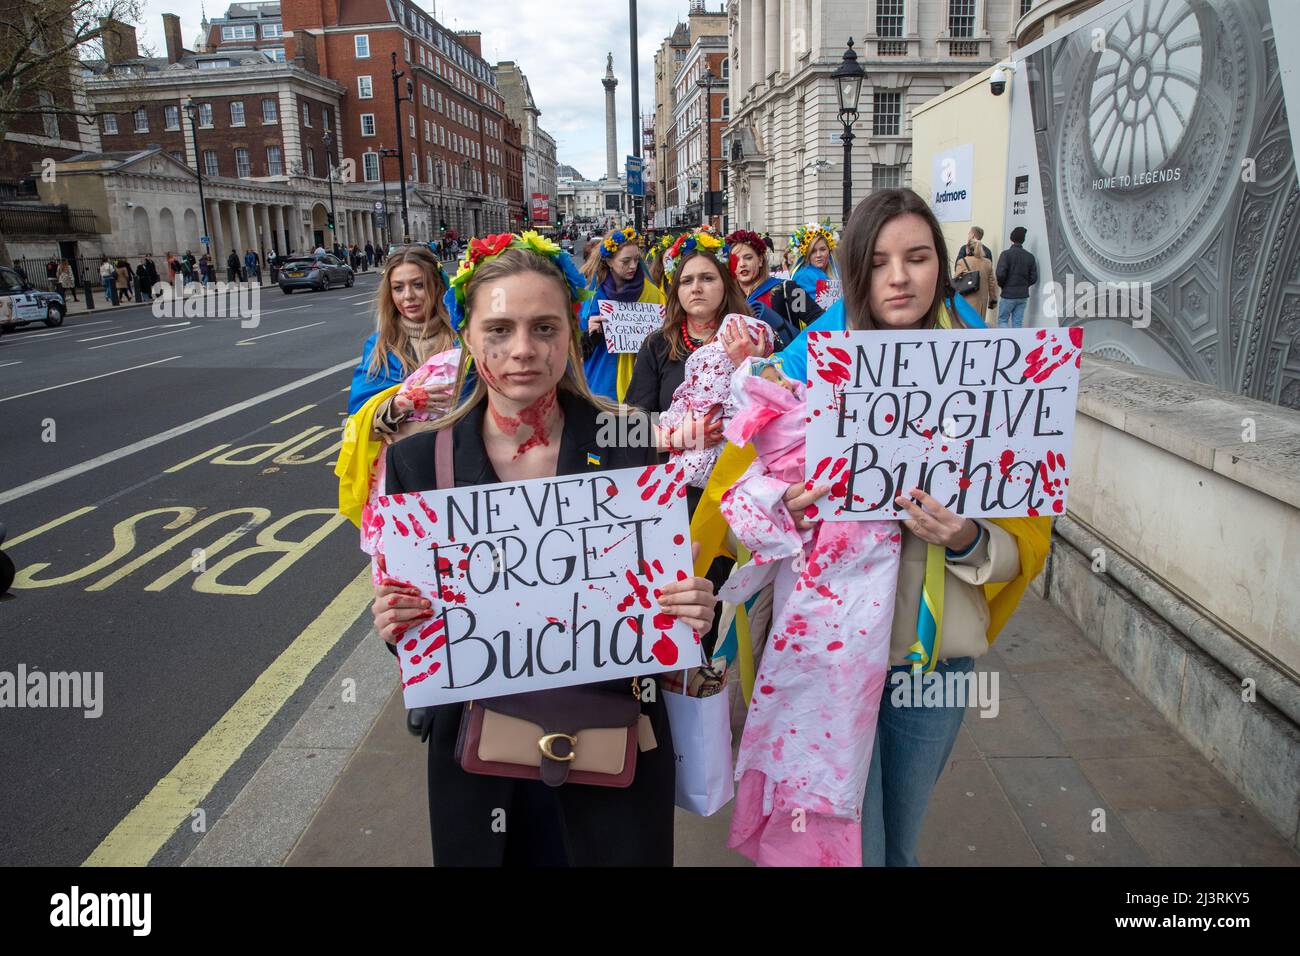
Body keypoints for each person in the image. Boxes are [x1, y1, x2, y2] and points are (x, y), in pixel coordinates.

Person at [694, 188, 1051, 867]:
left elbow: (1025, 538)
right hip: (822, 654)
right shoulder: (805, 360)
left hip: (931, 657)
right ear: (855, 271)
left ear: (940, 269)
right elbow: (733, 499)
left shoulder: (993, 371)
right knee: (843, 842)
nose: (899, 276)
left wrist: (968, 539)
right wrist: (783, 503)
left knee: (898, 838)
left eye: (917, 258)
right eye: (880, 260)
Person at [369, 232, 719, 866]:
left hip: (611, 755)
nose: (522, 351)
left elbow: (672, 616)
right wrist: (396, 624)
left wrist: (697, 609)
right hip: (482, 764)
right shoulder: (418, 463)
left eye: (545, 327)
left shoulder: (634, 444)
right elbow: (416, 633)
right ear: (469, 336)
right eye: (499, 329)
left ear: (570, 333)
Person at [347, 244, 455, 418]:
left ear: (437, 286)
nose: (408, 296)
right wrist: (401, 404)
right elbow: (360, 411)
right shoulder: (380, 346)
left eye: (418, 285)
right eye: (398, 288)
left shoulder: (464, 338)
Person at [578, 229, 665, 403]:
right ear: (609, 261)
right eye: (626, 261)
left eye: (636, 259)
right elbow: (574, 347)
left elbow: (667, 338)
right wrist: (589, 333)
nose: (633, 266)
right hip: (601, 382)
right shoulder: (592, 295)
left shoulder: (653, 295)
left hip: (642, 384)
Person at [726, 229, 823, 347]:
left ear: (760, 260)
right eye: (736, 259)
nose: (742, 264)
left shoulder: (788, 289)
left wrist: (799, 347)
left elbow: (820, 321)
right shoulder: (728, 298)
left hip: (783, 362)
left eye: (748, 258)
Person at [995, 226, 1037, 329]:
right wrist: (1024, 285)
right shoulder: (1030, 256)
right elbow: (1034, 277)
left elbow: (1000, 274)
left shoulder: (1005, 254)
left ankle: (1005, 343)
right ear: (1023, 240)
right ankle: (1015, 344)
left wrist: (1003, 285)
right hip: (1023, 295)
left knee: (1003, 320)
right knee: (1017, 323)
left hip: (1008, 294)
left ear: (1011, 239)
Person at [788, 222, 840, 307]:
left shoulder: (836, 270)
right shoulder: (803, 276)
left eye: (822, 249)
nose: (818, 255)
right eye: (813, 251)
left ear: (829, 250)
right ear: (806, 254)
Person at [953, 239, 998, 321]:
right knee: (979, 326)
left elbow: (956, 282)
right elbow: (992, 283)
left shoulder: (962, 262)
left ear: (967, 248)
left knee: (966, 325)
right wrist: (993, 300)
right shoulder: (988, 262)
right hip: (982, 302)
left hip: (966, 300)